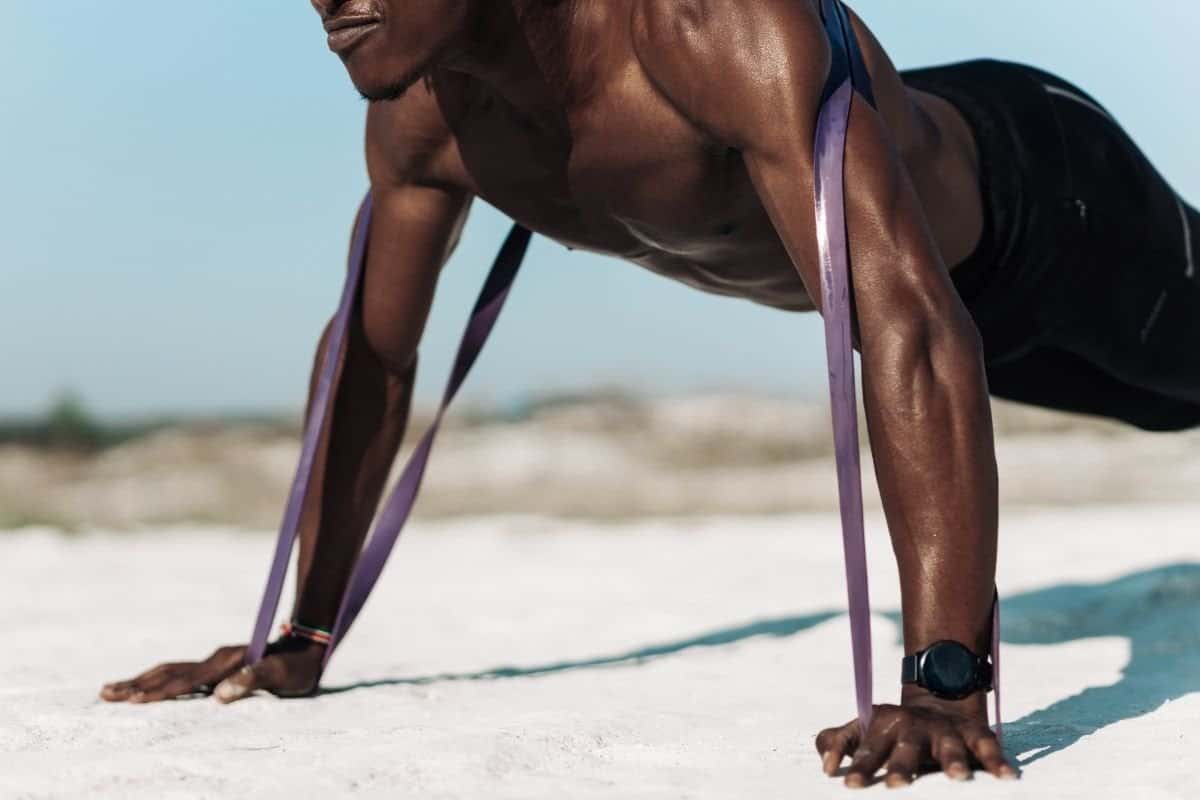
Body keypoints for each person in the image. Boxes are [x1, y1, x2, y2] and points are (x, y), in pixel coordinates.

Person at [100, 0, 1199, 787]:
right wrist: (300, 631)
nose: (329, 3)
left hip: (1049, 208)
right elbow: (374, 362)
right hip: (949, 341)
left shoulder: (712, 29)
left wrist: (946, 684)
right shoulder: (425, 122)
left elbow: (905, 324)